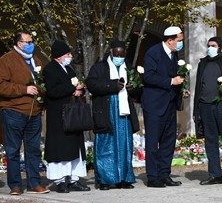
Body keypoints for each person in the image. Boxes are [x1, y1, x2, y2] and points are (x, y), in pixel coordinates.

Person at [86, 39, 141, 190]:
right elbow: (91, 84)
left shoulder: (129, 67)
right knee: (106, 144)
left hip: (124, 113)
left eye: (122, 54)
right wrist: (112, 85)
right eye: (116, 53)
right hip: (107, 112)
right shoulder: (99, 67)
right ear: (111, 52)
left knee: (125, 144)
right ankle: (105, 180)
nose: (119, 56)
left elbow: (138, 88)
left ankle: (124, 178)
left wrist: (133, 88)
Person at [0, 31, 50, 195]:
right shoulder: (6, 60)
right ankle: (15, 185)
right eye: (28, 42)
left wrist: (42, 92)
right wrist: (24, 89)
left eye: (32, 41)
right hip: (14, 110)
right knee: (13, 150)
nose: (31, 44)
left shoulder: (36, 60)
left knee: (33, 149)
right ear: (19, 43)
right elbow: (2, 86)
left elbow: (41, 83)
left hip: (34, 112)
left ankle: (34, 182)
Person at [43, 40, 90, 193]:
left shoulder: (68, 68)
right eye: (67, 54)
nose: (70, 56)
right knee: (61, 149)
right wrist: (72, 89)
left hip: (73, 115)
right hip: (59, 115)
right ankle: (61, 180)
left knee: (74, 147)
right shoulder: (50, 69)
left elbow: (75, 86)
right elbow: (53, 90)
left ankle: (74, 179)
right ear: (58, 56)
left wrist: (79, 90)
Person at [193, 37, 222, 186]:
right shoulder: (203, 63)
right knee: (210, 141)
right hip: (205, 106)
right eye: (208, 46)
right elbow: (198, 86)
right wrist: (197, 108)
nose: (209, 48)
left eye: (213, 45)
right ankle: (214, 175)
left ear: (221, 47)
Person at [142, 26, 185, 188]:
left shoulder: (173, 55)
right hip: (154, 105)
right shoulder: (153, 53)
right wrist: (170, 82)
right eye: (179, 40)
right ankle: (153, 177)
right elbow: (149, 76)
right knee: (153, 142)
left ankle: (164, 174)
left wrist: (181, 89)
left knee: (168, 141)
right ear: (170, 40)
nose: (180, 44)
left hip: (169, 104)